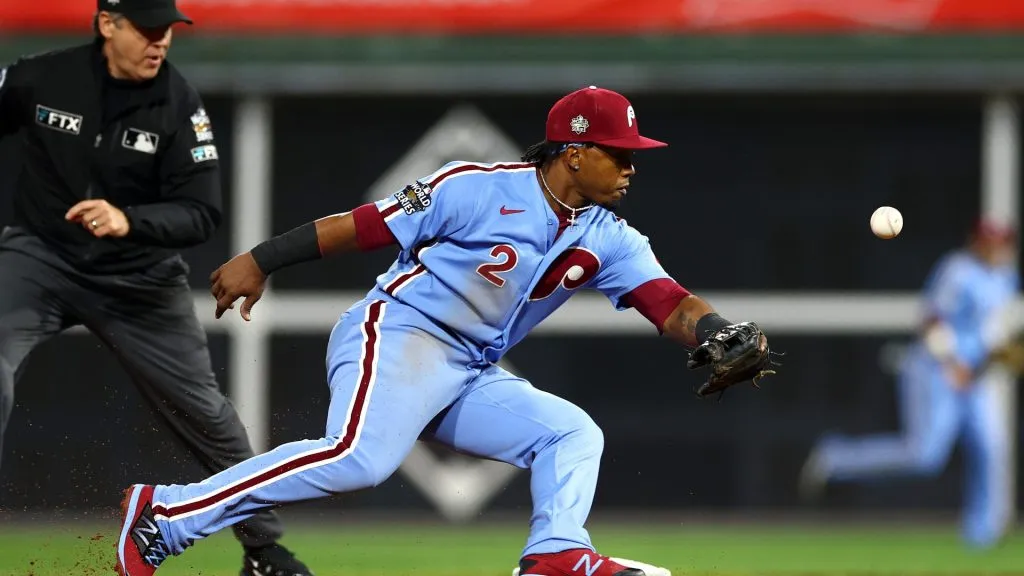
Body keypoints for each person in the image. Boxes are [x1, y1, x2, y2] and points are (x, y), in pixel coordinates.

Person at [115, 86, 772, 576]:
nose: (631, 166)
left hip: (468, 370)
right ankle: (165, 513)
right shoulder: (475, 188)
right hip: (398, 333)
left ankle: (553, 555)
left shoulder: (612, 239)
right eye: (617, 153)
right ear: (573, 154)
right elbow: (362, 226)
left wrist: (716, 331)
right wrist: (262, 259)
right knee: (357, 460)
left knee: (571, 432)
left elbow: (671, 303)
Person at [0, 1, 312, 574]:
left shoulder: (177, 104)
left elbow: (202, 213)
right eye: (146, 28)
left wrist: (130, 219)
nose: (160, 41)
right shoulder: (40, 77)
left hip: (139, 278)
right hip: (40, 258)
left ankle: (265, 549)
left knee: (207, 415)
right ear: (107, 25)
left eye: (166, 29)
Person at [799, 220, 1018, 549]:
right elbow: (930, 321)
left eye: (1002, 242)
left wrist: (999, 359)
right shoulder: (957, 269)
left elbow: (997, 336)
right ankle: (835, 458)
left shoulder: (1006, 278)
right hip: (935, 369)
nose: (996, 247)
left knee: (993, 446)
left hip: (975, 376)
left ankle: (983, 535)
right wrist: (952, 362)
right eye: (991, 241)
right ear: (976, 240)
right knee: (924, 455)